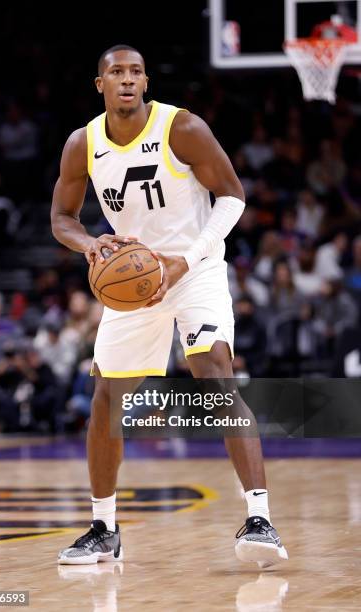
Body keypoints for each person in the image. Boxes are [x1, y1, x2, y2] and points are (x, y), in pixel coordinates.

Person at [51, 44, 288, 567]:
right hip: (132, 279)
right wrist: (88, 243)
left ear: (146, 81)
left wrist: (186, 261)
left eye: (136, 71)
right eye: (116, 72)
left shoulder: (182, 128)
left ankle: (260, 519)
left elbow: (232, 196)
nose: (127, 80)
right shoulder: (82, 144)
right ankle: (104, 529)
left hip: (193, 270)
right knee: (106, 400)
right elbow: (63, 218)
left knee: (215, 374)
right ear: (101, 85)